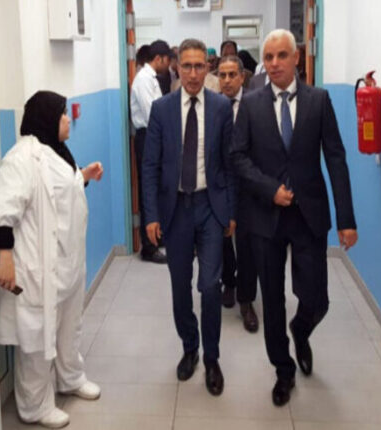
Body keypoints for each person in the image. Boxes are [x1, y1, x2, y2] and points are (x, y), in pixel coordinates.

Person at [230, 29, 357, 407]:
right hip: (265, 216)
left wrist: (346, 218)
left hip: (308, 214)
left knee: (317, 298)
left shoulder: (319, 101)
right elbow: (238, 157)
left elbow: (335, 158)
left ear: (296, 57)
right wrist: (269, 189)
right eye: (268, 57)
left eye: (281, 55)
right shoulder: (251, 104)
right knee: (272, 298)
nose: (274, 64)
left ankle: (301, 330)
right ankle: (283, 370)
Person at [0, 91, 103, 428]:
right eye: (62, 114)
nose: (67, 119)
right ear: (47, 118)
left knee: (69, 326)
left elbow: (59, 191)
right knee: (37, 337)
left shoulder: (57, 151)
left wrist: (83, 176)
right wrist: (5, 258)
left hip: (68, 262)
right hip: (38, 266)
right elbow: (2, 212)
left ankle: (70, 377)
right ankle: (34, 406)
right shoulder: (22, 159)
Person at [142, 38, 236, 397]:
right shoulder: (161, 109)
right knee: (180, 285)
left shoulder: (221, 107)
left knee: (210, 286)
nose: (194, 74)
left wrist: (230, 211)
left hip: (210, 207)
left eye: (200, 66)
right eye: (187, 66)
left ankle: (212, 357)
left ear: (207, 68)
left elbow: (229, 164)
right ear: (176, 67)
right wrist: (151, 214)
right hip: (175, 209)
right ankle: (190, 347)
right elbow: (150, 166)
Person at [216, 55, 258, 333]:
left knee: (247, 244)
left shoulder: (255, 104)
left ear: (242, 77)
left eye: (233, 75)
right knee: (222, 240)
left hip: (248, 185)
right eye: (222, 75)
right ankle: (228, 282)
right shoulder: (212, 105)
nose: (228, 80)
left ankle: (246, 300)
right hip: (219, 184)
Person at [130, 40, 170, 264]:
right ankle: (148, 247)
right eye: (167, 60)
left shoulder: (152, 78)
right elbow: (151, 114)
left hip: (155, 136)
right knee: (148, 188)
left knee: (157, 188)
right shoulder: (144, 80)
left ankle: (157, 236)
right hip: (147, 138)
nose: (168, 65)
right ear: (158, 59)